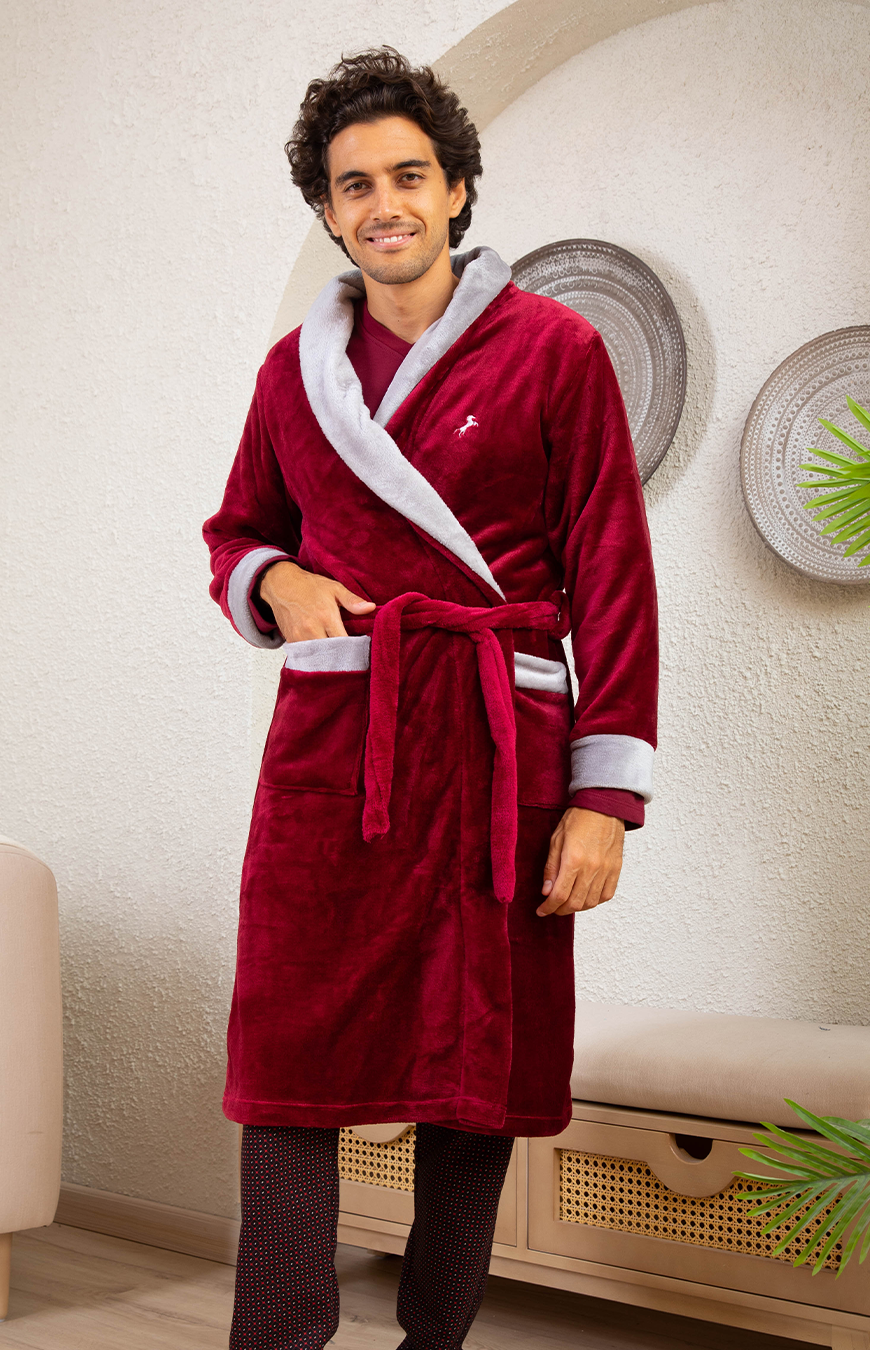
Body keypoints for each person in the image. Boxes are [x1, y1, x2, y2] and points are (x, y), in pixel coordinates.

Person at [203, 46, 658, 1350]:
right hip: (338, 739)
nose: (384, 204)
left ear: (457, 188)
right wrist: (277, 577)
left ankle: (435, 1338)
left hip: (501, 743)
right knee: (290, 1053)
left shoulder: (558, 352)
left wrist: (605, 801)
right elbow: (236, 534)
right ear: (328, 209)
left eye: (408, 176)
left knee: (479, 1061)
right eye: (354, 185)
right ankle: (277, 1336)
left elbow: (615, 578)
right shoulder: (295, 373)